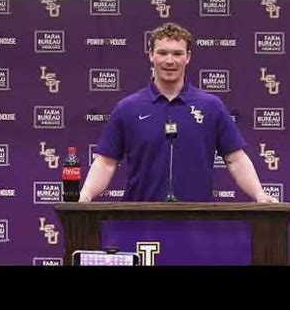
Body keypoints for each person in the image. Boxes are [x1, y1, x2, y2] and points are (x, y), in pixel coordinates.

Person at [79, 22, 278, 203]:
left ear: (188, 57)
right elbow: (105, 163)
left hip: (196, 220)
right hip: (139, 220)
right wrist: (85, 195)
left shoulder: (211, 106)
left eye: (177, 53)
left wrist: (258, 194)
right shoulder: (128, 108)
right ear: (151, 55)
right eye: (163, 52)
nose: (169, 60)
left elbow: (235, 158)